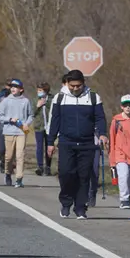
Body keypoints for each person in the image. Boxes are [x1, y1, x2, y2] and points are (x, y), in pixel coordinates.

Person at [47, 69, 108, 220]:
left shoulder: (93, 97)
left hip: (87, 143)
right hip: (66, 142)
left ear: (83, 83)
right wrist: (50, 142)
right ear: (67, 83)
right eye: (72, 86)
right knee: (66, 173)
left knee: (84, 176)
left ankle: (80, 207)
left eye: (78, 86)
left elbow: (100, 118)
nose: (75, 88)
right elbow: (54, 121)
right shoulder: (59, 98)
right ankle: (66, 203)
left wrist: (102, 134)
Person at [0, 79, 33, 188]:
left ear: (21, 89)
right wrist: (10, 119)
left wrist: (27, 123)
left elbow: (30, 115)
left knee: (20, 155)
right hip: (9, 131)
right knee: (8, 157)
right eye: (12, 86)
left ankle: (19, 178)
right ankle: (8, 173)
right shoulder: (5, 101)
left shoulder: (26, 101)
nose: (13, 88)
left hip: (21, 131)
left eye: (16, 87)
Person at [108, 94, 130, 209]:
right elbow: (112, 139)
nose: (128, 107)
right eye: (125, 105)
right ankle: (124, 199)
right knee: (123, 176)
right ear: (121, 107)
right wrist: (112, 159)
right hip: (120, 154)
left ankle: (129, 194)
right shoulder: (116, 121)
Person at [34, 82, 53, 176]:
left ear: (46, 90)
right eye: (38, 90)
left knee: (49, 147)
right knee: (39, 146)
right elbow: (32, 113)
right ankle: (40, 166)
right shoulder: (35, 100)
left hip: (49, 126)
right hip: (39, 126)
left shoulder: (52, 99)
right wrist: (37, 106)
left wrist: (46, 104)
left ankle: (48, 166)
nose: (38, 92)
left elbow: (54, 111)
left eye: (40, 90)